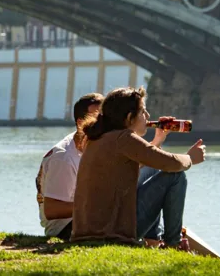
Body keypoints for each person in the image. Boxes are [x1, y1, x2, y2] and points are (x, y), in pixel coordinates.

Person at [71, 87, 206, 249]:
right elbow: (171, 163)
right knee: (175, 176)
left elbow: (147, 160)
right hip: (111, 232)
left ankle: (154, 239)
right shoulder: (124, 138)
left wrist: (158, 139)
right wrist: (191, 158)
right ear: (129, 117)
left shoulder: (99, 137)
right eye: (143, 112)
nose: (148, 117)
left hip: (88, 231)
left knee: (155, 169)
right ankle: (173, 244)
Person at [36, 93, 104, 240]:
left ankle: (154, 242)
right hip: (65, 229)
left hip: (87, 220)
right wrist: (99, 205)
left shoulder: (95, 146)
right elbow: (52, 210)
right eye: (98, 118)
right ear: (81, 123)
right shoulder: (63, 158)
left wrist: (157, 139)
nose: (104, 124)